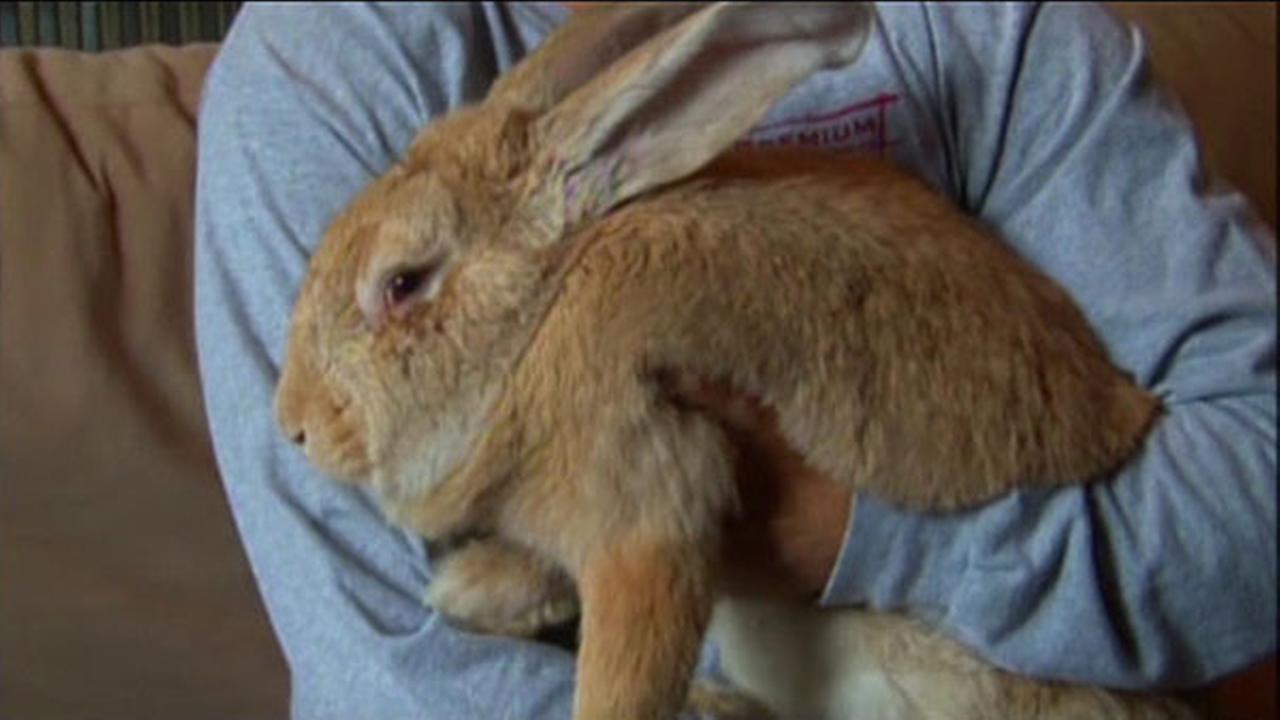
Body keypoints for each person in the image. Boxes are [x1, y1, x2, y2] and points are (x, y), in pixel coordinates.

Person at [193, 2, 1276, 718]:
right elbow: (392, 673)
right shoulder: (327, 66)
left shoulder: (985, 30)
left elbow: (1253, 494)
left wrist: (847, 529)